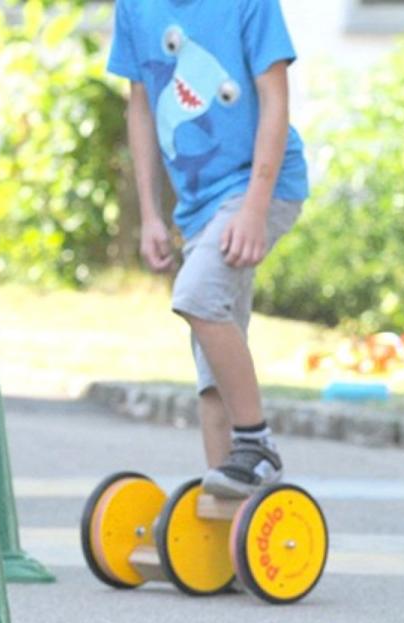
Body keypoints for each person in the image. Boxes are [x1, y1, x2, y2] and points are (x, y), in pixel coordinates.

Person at [108, 0, 309, 498]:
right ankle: (231, 530)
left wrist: (255, 209)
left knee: (196, 296)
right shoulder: (135, 8)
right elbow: (141, 103)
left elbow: (275, 98)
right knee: (211, 369)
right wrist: (152, 214)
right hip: (198, 208)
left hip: (261, 185)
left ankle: (255, 444)